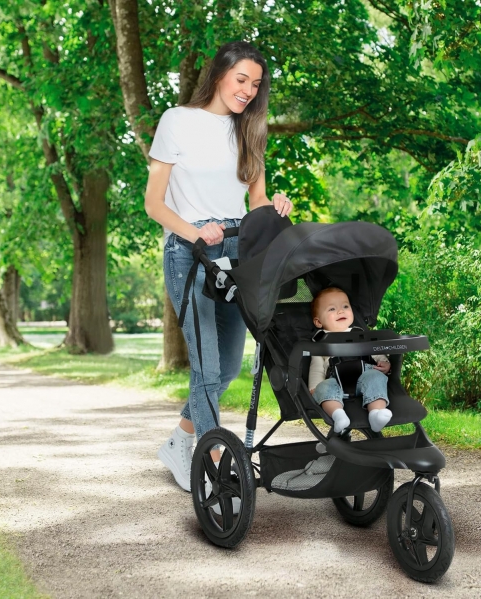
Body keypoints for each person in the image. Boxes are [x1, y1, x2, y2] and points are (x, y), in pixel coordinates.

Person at [144, 41, 293, 492]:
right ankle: (211, 464)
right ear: (219, 75)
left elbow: (256, 200)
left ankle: (179, 439)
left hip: (236, 251)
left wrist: (275, 205)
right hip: (190, 253)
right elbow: (154, 204)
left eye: (256, 84)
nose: (248, 90)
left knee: (227, 367)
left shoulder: (250, 131)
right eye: (241, 79)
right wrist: (194, 233)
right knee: (207, 368)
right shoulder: (177, 121)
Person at [308, 287, 393, 434]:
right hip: (336, 382)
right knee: (324, 387)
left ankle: (376, 414)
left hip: (363, 378)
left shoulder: (359, 334)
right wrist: (315, 387)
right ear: (318, 322)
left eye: (345, 306)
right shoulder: (320, 342)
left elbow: (374, 350)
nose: (341, 311)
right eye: (332, 309)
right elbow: (316, 367)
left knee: (376, 376)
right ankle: (338, 416)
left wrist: (384, 362)